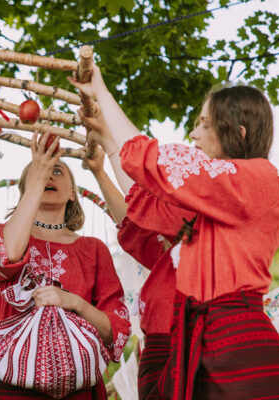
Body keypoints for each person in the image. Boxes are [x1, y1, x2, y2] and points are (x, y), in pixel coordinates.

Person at [70, 69, 279, 399]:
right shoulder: (214, 199)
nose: (194, 134)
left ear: (239, 132)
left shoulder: (260, 179)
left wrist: (102, 94)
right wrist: (108, 139)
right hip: (200, 343)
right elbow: (145, 195)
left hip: (237, 342)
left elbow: (152, 161)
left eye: (205, 124)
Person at [0, 131, 131, 399]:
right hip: (10, 381)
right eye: (40, 172)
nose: (49, 175)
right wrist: (37, 181)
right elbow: (8, 256)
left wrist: (75, 302)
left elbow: (113, 331)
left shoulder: (94, 249)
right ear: (27, 189)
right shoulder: (2, 234)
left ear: (72, 193)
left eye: (57, 170)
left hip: (77, 384)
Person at [84, 145, 195, 400]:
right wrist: (100, 172)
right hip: (156, 353)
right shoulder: (168, 253)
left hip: (186, 347)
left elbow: (142, 205)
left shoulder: (201, 233)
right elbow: (131, 223)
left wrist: (109, 141)